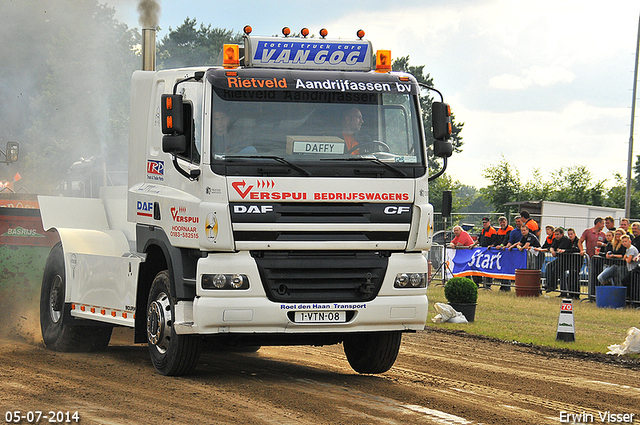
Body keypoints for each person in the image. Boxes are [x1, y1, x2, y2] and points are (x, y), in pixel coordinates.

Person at [545, 228, 573, 293]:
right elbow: (552, 247)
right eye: (555, 234)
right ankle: (548, 284)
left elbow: (559, 249)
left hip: (566, 260)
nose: (556, 236)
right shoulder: (555, 239)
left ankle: (553, 285)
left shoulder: (565, 240)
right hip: (560, 258)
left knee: (555, 270)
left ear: (562, 234)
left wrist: (555, 251)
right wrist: (552, 251)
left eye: (557, 234)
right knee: (549, 266)